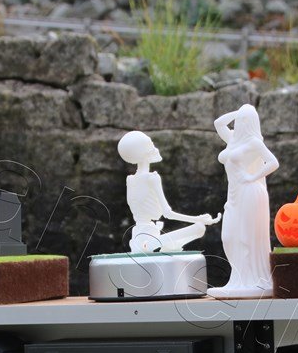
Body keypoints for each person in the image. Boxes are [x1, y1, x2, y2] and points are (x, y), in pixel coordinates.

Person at [209, 104, 279, 298]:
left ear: (252, 123)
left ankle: (251, 280)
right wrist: (239, 112)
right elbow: (218, 123)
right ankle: (238, 279)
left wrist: (253, 177)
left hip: (249, 193)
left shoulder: (254, 143)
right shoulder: (232, 139)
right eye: (240, 119)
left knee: (245, 237)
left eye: (245, 120)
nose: (240, 122)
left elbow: (273, 162)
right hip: (234, 196)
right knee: (229, 236)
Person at [118, 131, 220, 254]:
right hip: (147, 242)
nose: (153, 147)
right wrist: (197, 218)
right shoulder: (152, 178)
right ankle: (168, 244)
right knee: (199, 227)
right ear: (144, 151)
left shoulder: (130, 180)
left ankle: (170, 245)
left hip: (138, 237)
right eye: (149, 143)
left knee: (199, 229)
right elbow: (168, 213)